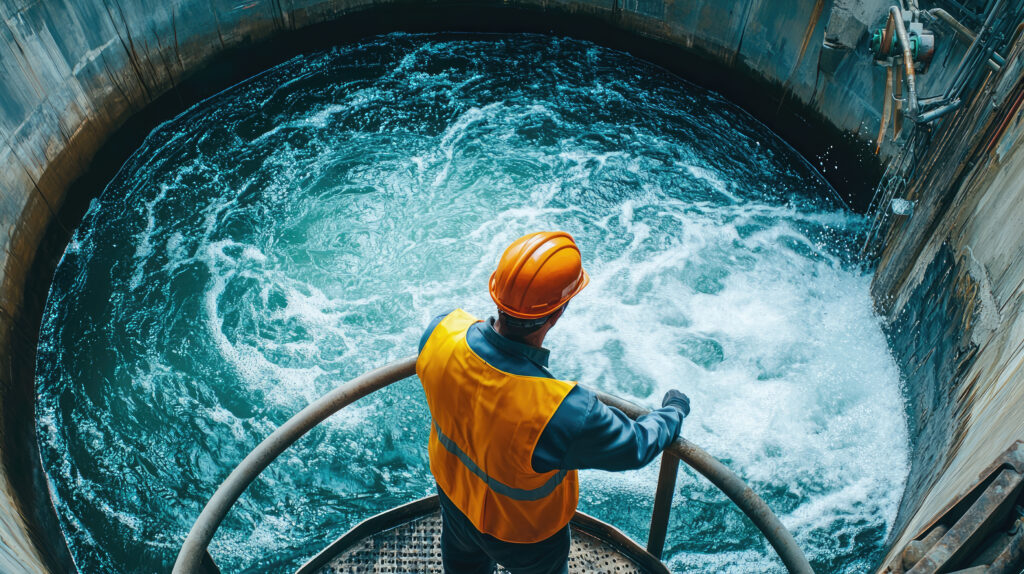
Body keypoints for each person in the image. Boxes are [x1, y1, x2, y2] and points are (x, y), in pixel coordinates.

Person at [417, 231, 691, 574]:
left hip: (454, 502)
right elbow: (636, 444)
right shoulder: (562, 410)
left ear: (497, 292)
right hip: (527, 539)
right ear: (557, 314)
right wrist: (673, 410)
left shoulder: (440, 332)